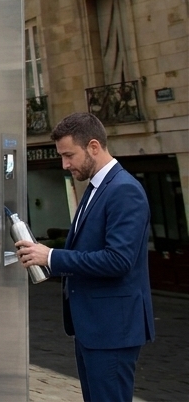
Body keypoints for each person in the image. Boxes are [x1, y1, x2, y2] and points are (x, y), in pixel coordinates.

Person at [16, 112, 153, 402]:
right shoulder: (96, 187)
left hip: (113, 330)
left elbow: (118, 261)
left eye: (69, 155)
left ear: (93, 146)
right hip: (93, 328)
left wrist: (51, 256)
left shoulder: (124, 190)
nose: (65, 165)